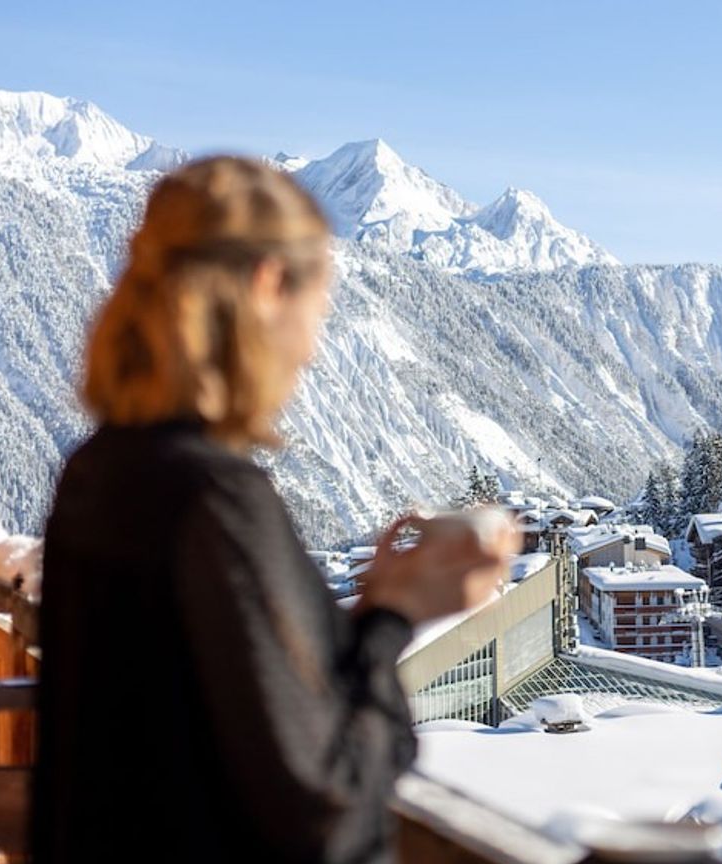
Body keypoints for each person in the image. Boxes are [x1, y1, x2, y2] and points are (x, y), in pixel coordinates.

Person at [32, 156, 520, 863]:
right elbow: (325, 802)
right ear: (268, 286)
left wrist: (381, 608)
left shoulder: (102, 470)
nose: (314, 350)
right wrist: (396, 617)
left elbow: (228, 709)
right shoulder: (214, 501)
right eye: (318, 307)